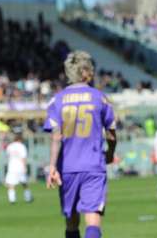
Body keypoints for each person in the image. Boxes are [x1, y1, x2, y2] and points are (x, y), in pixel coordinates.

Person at [44, 50, 117, 238]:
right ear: (85, 72)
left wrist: (52, 166)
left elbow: (56, 136)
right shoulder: (99, 97)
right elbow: (111, 134)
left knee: (71, 221)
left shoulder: (57, 100)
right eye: (91, 69)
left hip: (67, 167)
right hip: (93, 165)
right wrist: (110, 153)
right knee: (92, 218)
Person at [5, 133, 33, 204]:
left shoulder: (10, 146)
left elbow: (8, 157)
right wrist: (25, 167)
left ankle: (12, 199)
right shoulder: (22, 146)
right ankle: (28, 198)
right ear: (20, 140)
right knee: (24, 183)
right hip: (20, 167)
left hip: (12, 167)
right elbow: (23, 157)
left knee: (11, 184)